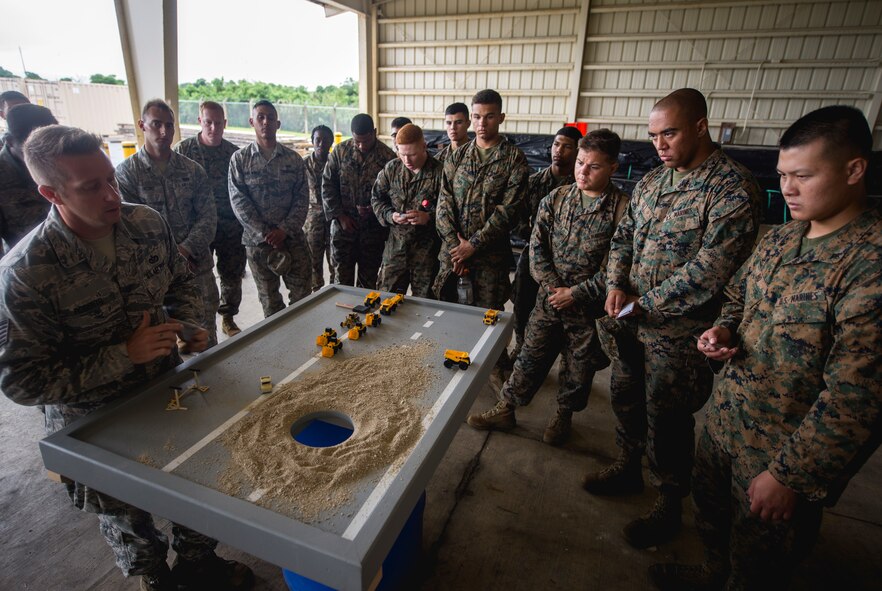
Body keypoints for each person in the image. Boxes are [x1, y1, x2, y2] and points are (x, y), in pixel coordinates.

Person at [0, 124, 253, 591]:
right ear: (51, 193)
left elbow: (181, 282)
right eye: (91, 187)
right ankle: (155, 581)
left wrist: (190, 325)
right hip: (94, 422)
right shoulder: (26, 273)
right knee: (128, 521)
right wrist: (123, 356)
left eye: (110, 179)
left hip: (166, 392)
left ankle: (200, 566)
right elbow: (23, 381)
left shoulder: (146, 224)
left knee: (195, 490)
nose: (111, 194)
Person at [649, 106, 882, 591]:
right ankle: (713, 573)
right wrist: (726, 332)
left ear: (855, 169)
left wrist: (790, 475)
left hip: (781, 451)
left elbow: (857, 399)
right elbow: (737, 297)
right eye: (782, 175)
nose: (789, 189)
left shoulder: (869, 265)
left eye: (803, 176)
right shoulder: (779, 240)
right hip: (727, 421)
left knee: (760, 561)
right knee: (712, 521)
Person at [584, 88, 762, 550]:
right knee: (625, 394)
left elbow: (711, 269)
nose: (659, 145)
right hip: (630, 319)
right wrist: (617, 284)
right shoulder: (651, 182)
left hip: (681, 333)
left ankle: (669, 498)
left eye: (670, 133)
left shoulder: (730, 187)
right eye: (653, 136)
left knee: (668, 417)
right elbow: (623, 237)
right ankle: (627, 465)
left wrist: (646, 302)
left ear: (701, 127)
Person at [467, 130, 628, 446]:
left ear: (613, 167)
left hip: (586, 307)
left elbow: (617, 266)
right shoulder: (555, 199)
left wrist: (576, 294)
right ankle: (507, 407)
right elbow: (536, 249)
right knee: (530, 356)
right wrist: (555, 287)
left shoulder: (623, 210)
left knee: (577, 367)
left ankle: (563, 416)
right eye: (580, 163)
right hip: (550, 299)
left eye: (593, 166)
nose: (582, 171)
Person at [434, 89, 530, 382]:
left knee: (489, 316)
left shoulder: (514, 159)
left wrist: (472, 246)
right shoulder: (457, 155)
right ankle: (455, 365)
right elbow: (443, 204)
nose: (481, 123)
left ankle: (497, 372)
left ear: (501, 117)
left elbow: (509, 211)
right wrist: (456, 248)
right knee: (450, 312)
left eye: (489, 117)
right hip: (453, 255)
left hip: (489, 258)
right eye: (476, 116)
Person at [116, 99, 219, 348]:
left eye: (169, 125)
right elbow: (127, 228)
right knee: (160, 342)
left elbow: (208, 217)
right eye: (156, 124)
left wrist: (184, 250)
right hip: (151, 274)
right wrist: (168, 257)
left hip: (196, 268)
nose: (164, 132)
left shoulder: (192, 171)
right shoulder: (126, 174)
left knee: (205, 336)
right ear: (142, 125)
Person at [229, 99, 310, 317]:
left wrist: (284, 230)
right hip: (258, 245)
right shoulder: (239, 160)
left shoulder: (293, 160)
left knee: (303, 299)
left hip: (292, 239)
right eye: (260, 117)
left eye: (270, 118)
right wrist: (265, 233)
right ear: (252, 122)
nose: (265, 122)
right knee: (270, 303)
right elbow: (238, 201)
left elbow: (302, 199)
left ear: (278, 123)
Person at [510, 126, 583, 363]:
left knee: (561, 315)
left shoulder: (581, 187)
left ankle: (555, 360)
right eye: (556, 144)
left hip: (566, 266)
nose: (559, 151)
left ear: (577, 150)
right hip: (531, 259)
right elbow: (518, 221)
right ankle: (521, 349)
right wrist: (537, 235)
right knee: (522, 307)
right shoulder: (534, 183)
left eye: (567, 146)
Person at [174, 101, 245, 337]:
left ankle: (228, 317)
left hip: (229, 227)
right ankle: (190, 331)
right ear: (199, 122)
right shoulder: (183, 152)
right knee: (192, 281)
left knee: (232, 275)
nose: (213, 128)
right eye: (208, 122)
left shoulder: (234, 154)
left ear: (225, 124)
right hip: (196, 230)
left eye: (218, 123)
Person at [322, 113, 396, 288]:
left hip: (373, 232)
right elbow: (327, 186)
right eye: (357, 141)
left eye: (366, 140)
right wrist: (340, 216)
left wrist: (376, 209)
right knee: (341, 282)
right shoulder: (340, 152)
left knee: (368, 283)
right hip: (344, 230)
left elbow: (395, 194)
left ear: (375, 132)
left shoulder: (388, 157)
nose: (361, 145)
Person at [371, 123, 442, 297]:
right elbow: (377, 198)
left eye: (412, 154)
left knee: (425, 303)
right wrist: (390, 215)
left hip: (426, 252)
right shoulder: (392, 169)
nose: (407, 161)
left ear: (424, 147)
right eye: (402, 154)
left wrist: (428, 217)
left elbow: (451, 211)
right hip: (396, 248)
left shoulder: (440, 173)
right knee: (386, 297)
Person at [0, 104, 56, 251]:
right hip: (29, 264)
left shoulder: (64, 158)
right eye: (31, 149)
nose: (45, 157)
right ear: (10, 141)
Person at [303, 124, 335, 291]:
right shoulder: (303, 165)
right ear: (312, 141)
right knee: (313, 264)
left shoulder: (336, 164)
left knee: (335, 262)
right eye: (318, 140)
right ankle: (316, 294)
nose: (321, 143)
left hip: (332, 221)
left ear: (331, 142)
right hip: (312, 222)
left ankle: (334, 292)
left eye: (326, 140)